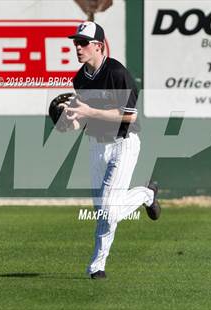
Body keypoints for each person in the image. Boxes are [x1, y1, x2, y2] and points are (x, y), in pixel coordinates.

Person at [65, 21, 161, 279]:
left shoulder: (118, 73)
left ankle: (97, 266)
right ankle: (146, 195)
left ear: (98, 45)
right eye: (76, 42)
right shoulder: (79, 78)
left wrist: (89, 111)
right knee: (103, 212)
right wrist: (72, 121)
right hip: (96, 146)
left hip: (123, 144)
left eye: (83, 42)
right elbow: (82, 118)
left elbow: (128, 117)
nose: (78, 47)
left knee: (108, 210)